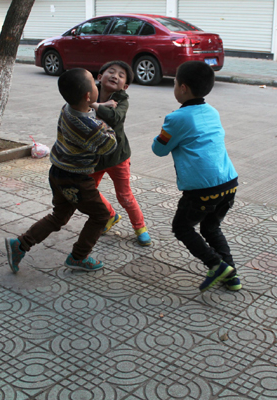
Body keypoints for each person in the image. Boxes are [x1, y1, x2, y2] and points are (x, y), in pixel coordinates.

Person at [4, 68, 117, 272]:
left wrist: (97, 106)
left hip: (58, 173)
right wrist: (106, 119)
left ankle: (20, 244)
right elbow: (110, 144)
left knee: (59, 217)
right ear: (88, 96)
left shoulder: (67, 108)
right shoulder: (89, 126)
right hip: (76, 180)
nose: (97, 84)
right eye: (94, 83)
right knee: (101, 215)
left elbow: (87, 111)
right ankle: (78, 257)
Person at [152, 60, 241, 292]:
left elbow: (159, 149)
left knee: (181, 228)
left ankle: (217, 265)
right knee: (211, 228)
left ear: (183, 88)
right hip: (229, 183)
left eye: (175, 83)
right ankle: (232, 276)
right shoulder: (212, 111)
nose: (174, 87)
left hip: (202, 191)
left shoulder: (176, 118)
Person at [89, 61, 151, 246]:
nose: (115, 76)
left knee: (124, 195)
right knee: (88, 191)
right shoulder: (90, 91)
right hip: (94, 156)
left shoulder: (122, 100)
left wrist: (94, 105)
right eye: (111, 71)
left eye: (121, 75)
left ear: (125, 86)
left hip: (118, 156)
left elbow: (115, 117)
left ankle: (140, 228)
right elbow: (75, 107)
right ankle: (110, 215)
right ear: (100, 76)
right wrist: (99, 103)